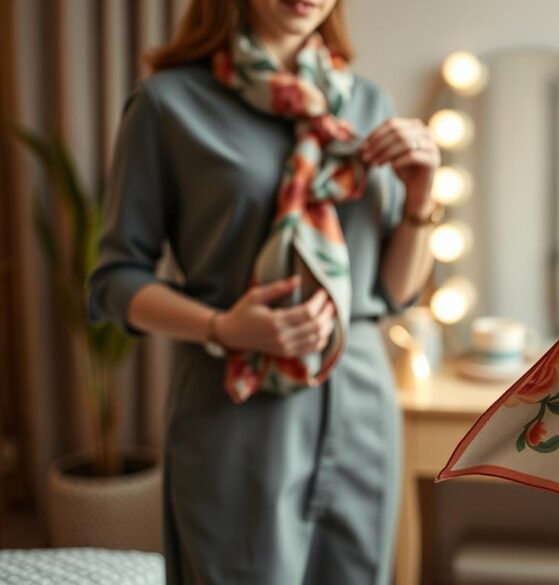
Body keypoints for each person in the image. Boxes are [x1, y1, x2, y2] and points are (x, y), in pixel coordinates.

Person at [85, 1, 439, 583]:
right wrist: (222, 326)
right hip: (236, 410)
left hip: (363, 410)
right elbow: (115, 280)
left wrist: (422, 198)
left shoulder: (367, 103)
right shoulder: (168, 105)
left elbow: (394, 292)